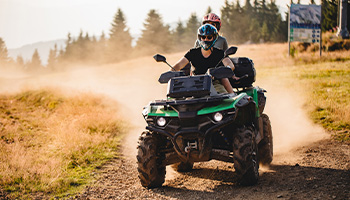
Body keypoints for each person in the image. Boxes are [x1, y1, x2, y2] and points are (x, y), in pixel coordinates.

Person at [173, 24, 235, 94]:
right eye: (203, 37)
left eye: (209, 37)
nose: (206, 39)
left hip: (214, 84)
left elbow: (230, 64)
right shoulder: (193, 53)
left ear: (214, 38)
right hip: (195, 85)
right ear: (200, 38)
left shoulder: (219, 53)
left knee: (225, 99)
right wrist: (171, 71)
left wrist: (226, 69)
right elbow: (179, 65)